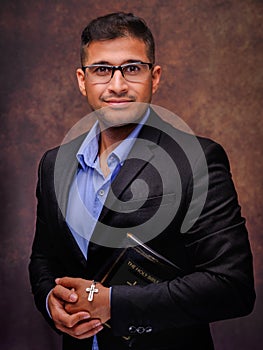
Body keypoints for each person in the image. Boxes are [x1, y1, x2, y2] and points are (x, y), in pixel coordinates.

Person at [29, 12, 255, 350]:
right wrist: (51, 301)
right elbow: (43, 259)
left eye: (132, 68)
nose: (117, 85)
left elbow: (232, 286)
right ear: (82, 80)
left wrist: (114, 306)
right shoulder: (53, 164)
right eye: (102, 70)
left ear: (155, 76)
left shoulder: (197, 159)